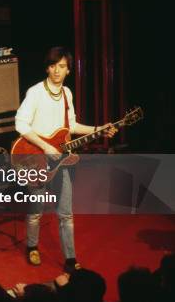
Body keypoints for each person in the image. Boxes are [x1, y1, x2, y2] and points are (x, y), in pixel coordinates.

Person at [15, 47, 117, 273]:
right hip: (36, 157)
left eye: (61, 66)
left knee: (66, 214)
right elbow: (20, 124)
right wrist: (45, 146)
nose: (56, 71)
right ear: (47, 68)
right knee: (36, 210)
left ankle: (70, 259)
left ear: (69, 70)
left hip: (60, 160)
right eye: (53, 66)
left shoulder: (67, 93)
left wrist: (99, 129)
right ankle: (32, 245)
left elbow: (70, 126)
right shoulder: (35, 92)